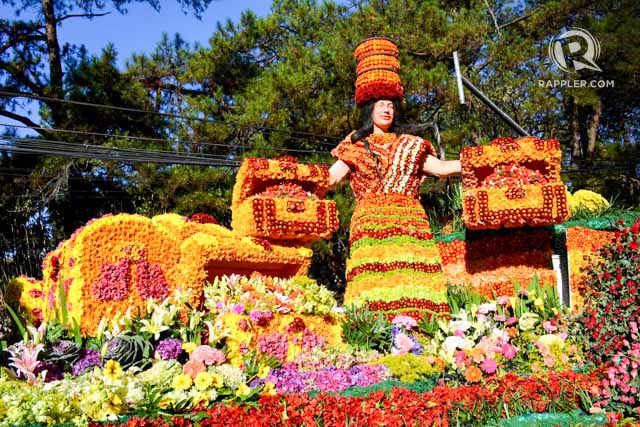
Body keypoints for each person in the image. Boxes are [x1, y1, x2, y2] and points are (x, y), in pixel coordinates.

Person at [329, 37, 461, 320]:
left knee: (416, 289)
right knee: (373, 291)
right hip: (369, 225)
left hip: (409, 224)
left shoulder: (412, 145)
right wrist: (293, 182)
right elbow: (330, 179)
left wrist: (480, 161)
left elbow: (441, 169)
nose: (388, 109)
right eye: (381, 104)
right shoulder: (354, 147)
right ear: (370, 109)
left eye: (391, 104)